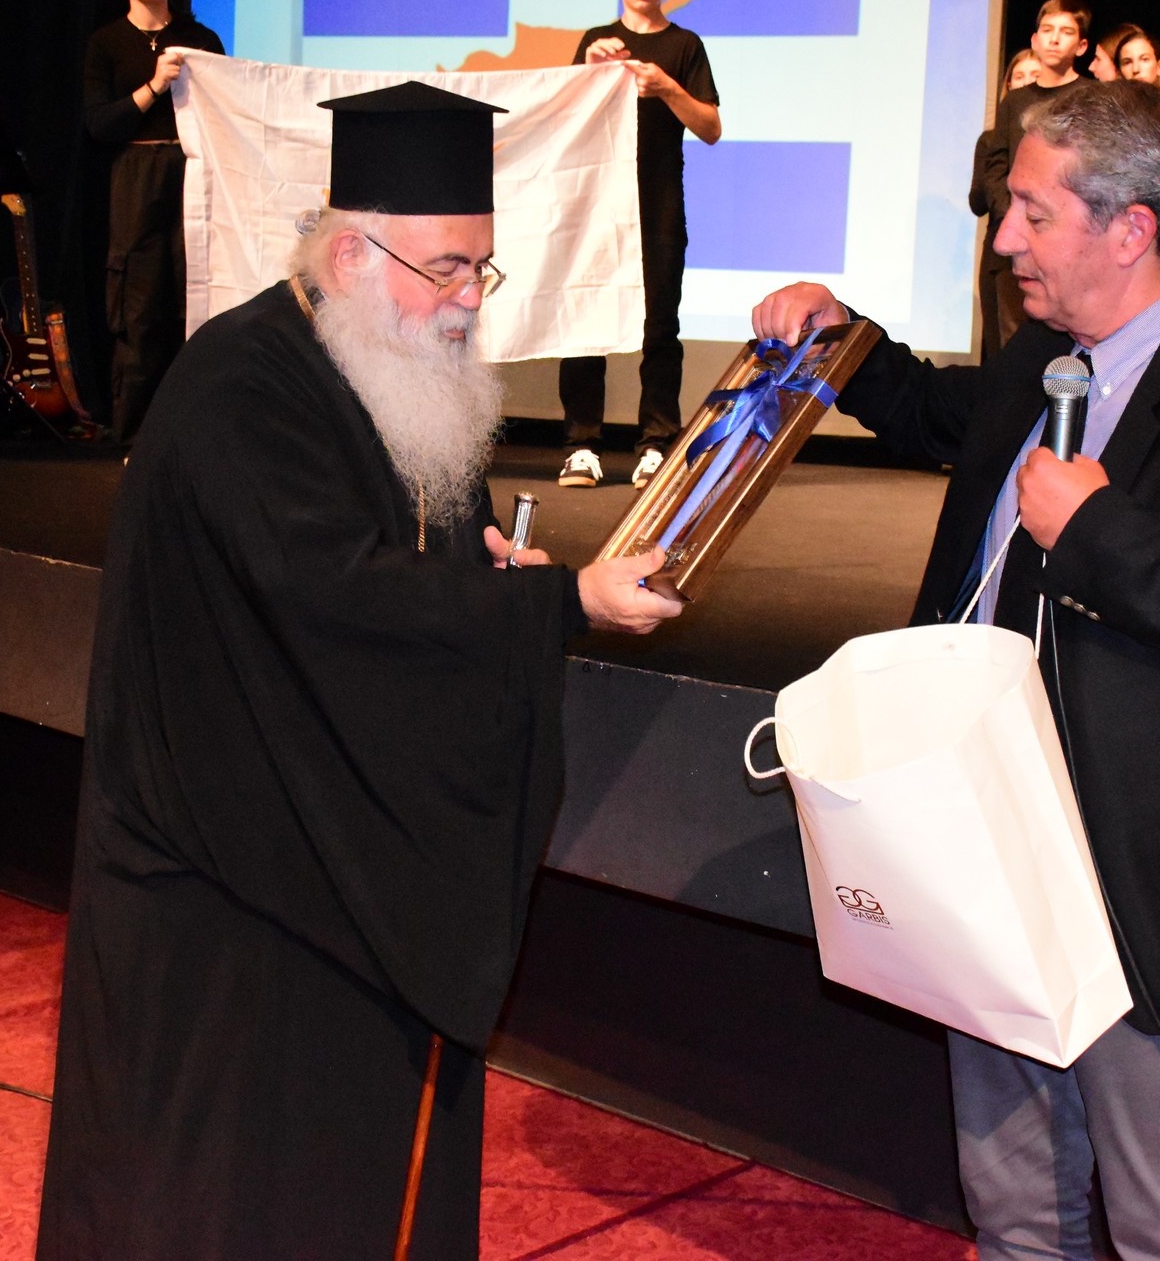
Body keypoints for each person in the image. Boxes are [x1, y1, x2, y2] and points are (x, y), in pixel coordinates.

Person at [36, 81, 683, 1260]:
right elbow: (334, 591)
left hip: (310, 847)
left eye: (481, 269)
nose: (467, 301)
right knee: (222, 1200)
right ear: (348, 253)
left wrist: (490, 575)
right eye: (445, 269)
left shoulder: (389, 367)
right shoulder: (245, 384)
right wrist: (564, 601)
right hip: (221, 885)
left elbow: (410, 561)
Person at [752, 79, 1160, 1261]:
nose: (1004, 240)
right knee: (1019, 1215)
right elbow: (937, 412)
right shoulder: (1042, 360)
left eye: (1032, 213)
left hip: (1142, 901)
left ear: (1129, 229)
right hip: (989, 866)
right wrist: (839, 334)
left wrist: (1099, 532)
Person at [557, 0, 722, 489]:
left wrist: (667, 87)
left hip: (659, 203)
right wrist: (588, 70)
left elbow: (711, 128)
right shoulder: (596, 41)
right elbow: (565, 121)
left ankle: (656, 443)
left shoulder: (684, 45)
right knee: (586, 321)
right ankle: (582, 445)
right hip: (598, 204)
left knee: (660, 327)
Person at [82, 0, 224, 446]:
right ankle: (136, 437)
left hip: (193, 171)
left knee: (195, 301)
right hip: (137, 176)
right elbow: (100, 124)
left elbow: (228, 110)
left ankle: (197, 435)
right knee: (139, 309)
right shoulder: (106, 43)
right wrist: (154, 86)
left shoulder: (200, 39)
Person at [980, 0, 1092, 350]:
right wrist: (1018, 219)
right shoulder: (1015, 101)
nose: (1054, 38)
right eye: (1047, 30)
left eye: (1066, 32)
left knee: (1069, 337)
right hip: (1015, 243)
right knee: (1013, 341)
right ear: (1034, 39)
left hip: (1069, 243)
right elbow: (996, 165)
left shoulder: (1091, 97)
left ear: (1082, 45)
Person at [968, 50, 1049, 365]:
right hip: (1001, 261)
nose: (1027, 84)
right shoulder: (991, 140)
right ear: (1008, 86)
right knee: (1005, 349)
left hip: (1045, 255)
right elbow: (977, 202)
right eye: (1019, 77)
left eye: (1035, 76)